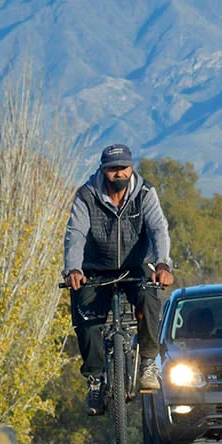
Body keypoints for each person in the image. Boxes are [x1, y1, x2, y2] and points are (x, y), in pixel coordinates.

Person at [63, 143, 174, 415]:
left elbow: (158, 229)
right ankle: (95, 381)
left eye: (123, 168)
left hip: (135, 266)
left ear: (131, 167)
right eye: (112, 169)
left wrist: (162, 263)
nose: (118, 174)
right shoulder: (87, 195)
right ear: (102, 169)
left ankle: (148, 363)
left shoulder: (145, 193)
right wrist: (73, 269)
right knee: (86, 318)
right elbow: (75, 233)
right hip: (94, 267)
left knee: (150, 297)